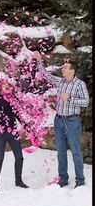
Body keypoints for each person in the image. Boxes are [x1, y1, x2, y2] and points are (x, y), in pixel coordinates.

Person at [33, 51, 89, 188]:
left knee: (75, 152)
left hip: (72, 121)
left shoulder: (79, 84)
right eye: (63, 67)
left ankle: (80, 181)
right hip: (59, 121)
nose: (62, 69)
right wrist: (39, 60)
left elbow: (86, 102)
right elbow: (45, 75)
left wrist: (70, 98)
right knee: (61, 152)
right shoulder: (60, 82)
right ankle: (63, 179)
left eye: (65, 67)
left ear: (72, 71)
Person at [0, 58, 30, 194]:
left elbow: (17, 115)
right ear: (0, 88)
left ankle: (18, 180)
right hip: (0, 133)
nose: (7, 86)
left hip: (12, 133)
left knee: (19, 157)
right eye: (4, 84)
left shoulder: (13, 100)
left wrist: (26, 127)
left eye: (8, 84)